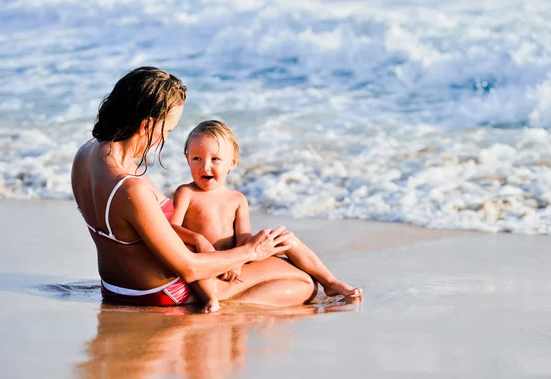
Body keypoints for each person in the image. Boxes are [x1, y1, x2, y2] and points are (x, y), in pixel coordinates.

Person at [71, 66, 317, 309]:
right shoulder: (129, 188)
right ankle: (224, 309)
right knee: (304, 282)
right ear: (146, 125)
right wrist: (252, 251)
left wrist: (199, 239)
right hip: (164, 292)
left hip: (116, 287)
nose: (165, 139)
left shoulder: (85, 154)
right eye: (166, 130)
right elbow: (189, 268)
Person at [171, 120, 362, 312]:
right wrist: (198, 239)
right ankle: (211, 299)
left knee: (285, 238)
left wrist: (237, 263)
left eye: (215, 159)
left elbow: (244, 238)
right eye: (197, 158)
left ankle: (329, 281)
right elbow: (171, 230)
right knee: (191, 250)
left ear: (233, 162)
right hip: (207, 264)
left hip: (235, 262)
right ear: (187, 159)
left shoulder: (237, 199)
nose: (205, 167)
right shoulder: (186, 193)